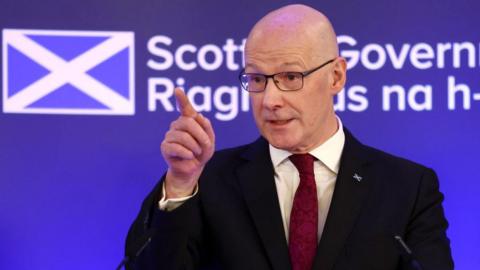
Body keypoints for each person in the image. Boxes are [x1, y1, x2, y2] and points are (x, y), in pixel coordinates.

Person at [125, 4, 453, 270]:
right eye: (256, 79)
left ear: (336, 76)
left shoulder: (407, 188)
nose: (269, 100)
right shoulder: (207, 182)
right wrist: (181, 185)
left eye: (291, 76)